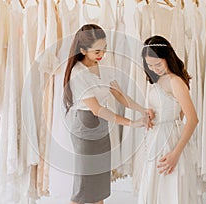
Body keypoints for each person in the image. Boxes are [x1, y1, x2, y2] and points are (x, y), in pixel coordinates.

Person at [63, 24, 154, 204]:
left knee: (100, 184)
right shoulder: (78, 73)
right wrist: (132, 123)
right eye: (97, 51)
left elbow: (119, 95)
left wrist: (142, 110)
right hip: (86, 127)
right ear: (83, 50)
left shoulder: (103, 68)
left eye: (104, 49)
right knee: (84, 185)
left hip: (102, 127)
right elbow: (97, 109)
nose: (101, 54)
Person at [137, 35, 199, 203]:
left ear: (168, 57)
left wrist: (175, 154)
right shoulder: (158, 80)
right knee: (155, 187)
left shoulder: (175, 81)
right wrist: (149, 113)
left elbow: (192, 119)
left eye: (158, 64)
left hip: (170, 141)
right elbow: (168, 108)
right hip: (155, 139)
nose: (154, 69)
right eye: (150, 65)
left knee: (170, 189)